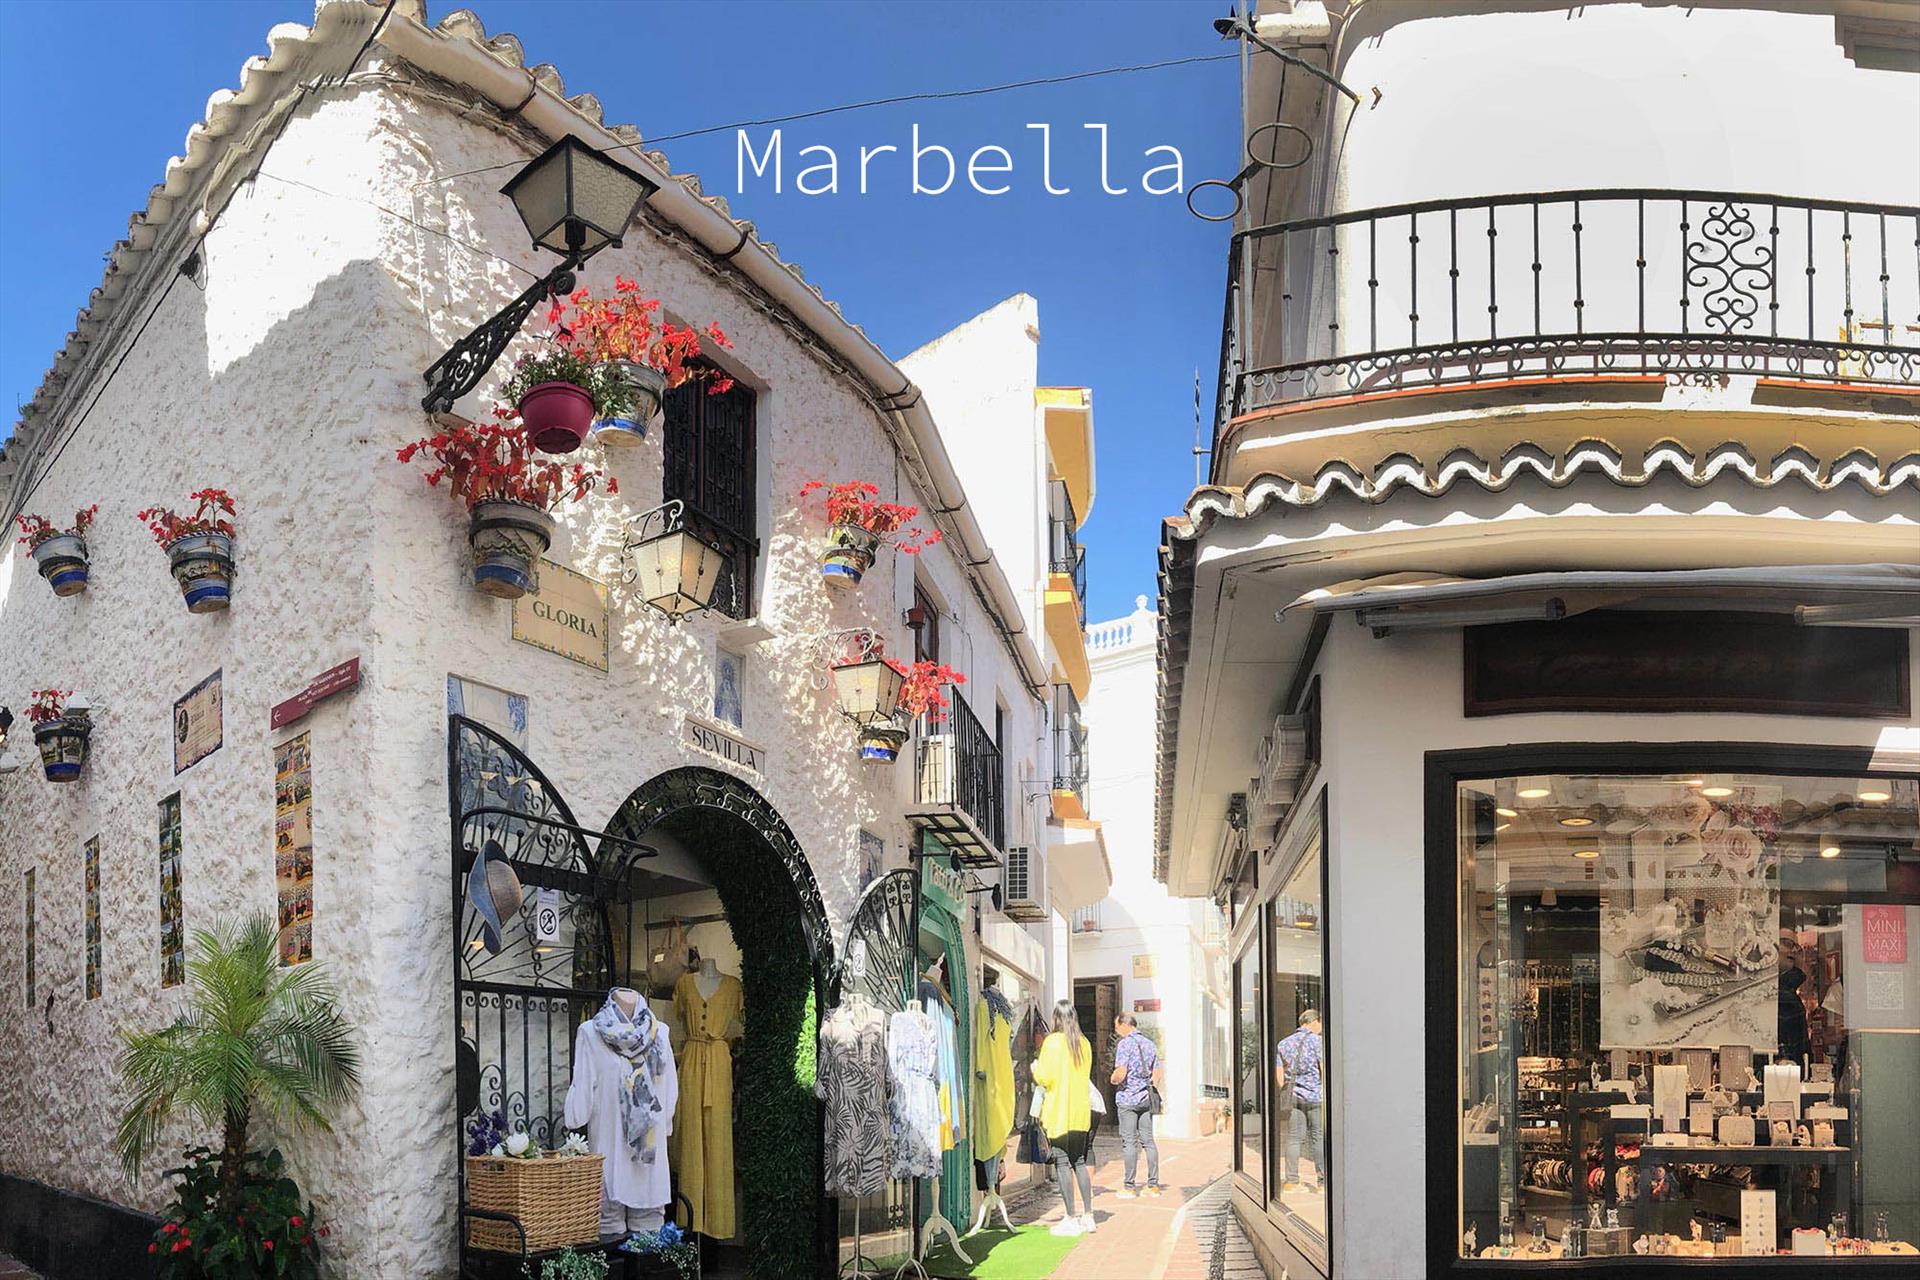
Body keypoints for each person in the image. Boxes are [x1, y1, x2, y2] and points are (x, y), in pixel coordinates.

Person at [1031, 998, 1097, 1237]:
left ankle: (1070, 1217)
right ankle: (1088, 1215)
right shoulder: (1084, 1043)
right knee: (1079, 1160)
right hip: (1080, 1112)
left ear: (1056, 1018)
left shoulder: (1052, 1042)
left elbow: (1045, 1078)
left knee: (1061, 1162)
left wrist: (1035, 1068)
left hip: (1058, 1111)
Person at [1109, 1012, 1164, 1198]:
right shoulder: (1149, 1044)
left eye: (1117, 1026)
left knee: (1129, 1142)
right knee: (1148, 1141)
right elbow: (1157, 1074)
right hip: (1145, 1100)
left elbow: (1121, 1073)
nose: (1116, 1030)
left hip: (1127, 1100)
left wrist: (1113, 1079)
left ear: (1125, 1025)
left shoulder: (1125, 1044)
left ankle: (1129, 1186)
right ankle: (1153, 1185)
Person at [1274, 1008, 1324, 1193]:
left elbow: (1279, 1075)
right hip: (1316, 1096)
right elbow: (1323, 1068)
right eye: (1320, 1023)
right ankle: (1322, 1182)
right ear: (1313, 1021)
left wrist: (1289, 1090)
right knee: (1318, 1137)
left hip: (1294, 1097)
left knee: (1294, 1138)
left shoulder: (1283, 1044)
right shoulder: (1317, 1041)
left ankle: (1291, 1182)